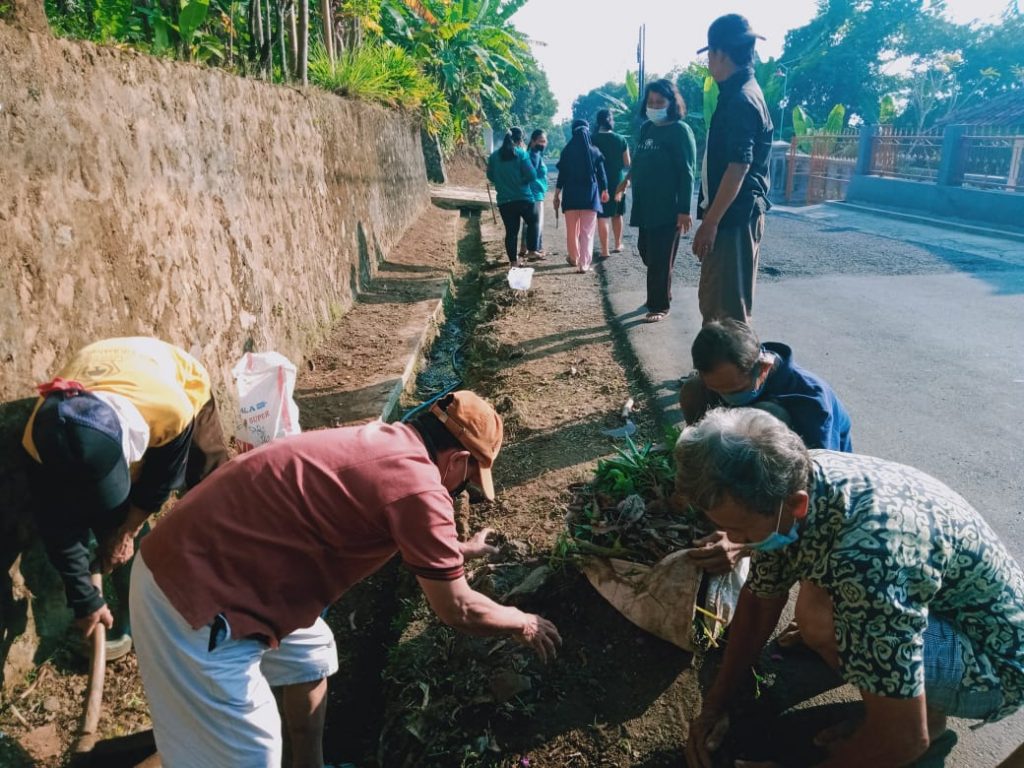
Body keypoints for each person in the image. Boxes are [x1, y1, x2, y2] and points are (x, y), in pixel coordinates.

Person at [129, 391, 561, 768]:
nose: (457, 496)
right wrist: (522, 621)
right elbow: (458, 607)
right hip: (191, 596)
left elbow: (388, 516)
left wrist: (454, 549)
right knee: (250, 755)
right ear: (460, 460)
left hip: (216, 554)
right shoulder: (419, 488)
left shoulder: (388, 443)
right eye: (464, 486)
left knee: (312, 652)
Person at [677, 408, 1024, 768]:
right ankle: (897, 708)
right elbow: (760, 599)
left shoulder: (867, 563)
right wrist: (716, 703)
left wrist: (884, 736)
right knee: (825, 608)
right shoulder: (798, 477)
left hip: (996, 663)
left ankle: (924, 720)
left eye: (743, 533)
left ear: (796, 504)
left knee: (826, 620)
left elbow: (906, 739)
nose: (733, 542)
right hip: (946, 604)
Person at [22, 336, 229, 660]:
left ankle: (225, 588)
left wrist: (127, 532)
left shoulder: (170, 410)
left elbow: (157, 487)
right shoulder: (39, 443)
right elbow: (57, 525)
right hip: (105, 383)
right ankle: (130, 624)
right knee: (111, 518)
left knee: (212, 490)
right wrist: (85, 599)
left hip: (177, 381)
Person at [680, 319, 853, 574]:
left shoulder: (811, 400)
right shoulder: (714, 383)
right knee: (693, 390)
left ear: (763, 367)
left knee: (768, 414)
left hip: (799, 478)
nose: (726, 398)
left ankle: (754, 520)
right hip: (745, 458)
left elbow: (815, 491)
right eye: (717, 390)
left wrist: (744, 544)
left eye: (735, 390)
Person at [691, 14, 773, 325]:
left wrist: (710, 222)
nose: (709, 61)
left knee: (728, 309)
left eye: (710, 54)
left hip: (733, 218)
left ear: (720, 53)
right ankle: (713, 373)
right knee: (715, 299)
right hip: (731, 216)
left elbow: (739, 165)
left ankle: (732, 374)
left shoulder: (741, 99)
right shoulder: (740, 92)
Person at [616, 79, 696, 323]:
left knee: (659, 260)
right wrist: (626, 180)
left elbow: (687, 172)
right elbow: (639, 160)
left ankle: (659, 305)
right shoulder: (647, 129)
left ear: (671, 103)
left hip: (668, 208)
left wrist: (684, 210)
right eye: (650, 102)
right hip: (645, 206)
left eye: (660, 102)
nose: (654, 106)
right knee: (646, 253)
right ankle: (662, 291)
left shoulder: (680, 131)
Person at [553, 119, 609, 274]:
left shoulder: (566, 151)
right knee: (587, 232)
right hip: (590, 197)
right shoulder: (595, 151)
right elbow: (602, 174)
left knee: (572, 231)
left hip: (571, 196)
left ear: (573, 131)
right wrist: (605, 190)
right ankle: (584, 264)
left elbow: (562, 175)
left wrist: (557, 194)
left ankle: (573, 257)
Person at [487, 127, 541, 267]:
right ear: (520, 140)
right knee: (533, 222)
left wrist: (502, 181)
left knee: (511, 232)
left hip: (505, 201)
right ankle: (532, 250)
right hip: (524, 198)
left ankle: (513, 262)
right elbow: (532, 175)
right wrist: (521, 181)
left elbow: (490, 176)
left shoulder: (494, 157)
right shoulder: (521, 154)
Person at [591, 109, 631, 258]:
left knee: (602, 216)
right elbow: (627, 163)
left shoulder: (592, 138)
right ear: (611, 121)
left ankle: (604, 250)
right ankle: (618, 244)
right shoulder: (621, 139)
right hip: (618, 182)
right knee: (617, 214)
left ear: (598, 121)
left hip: (599, 182)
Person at [519, 129, 549, 261]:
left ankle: (526, 248)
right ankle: (534, 250)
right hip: (534, 194)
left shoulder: (533, 154)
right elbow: (531, 175)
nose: (544, 144)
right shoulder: (533, 155)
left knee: (529, 222)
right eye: (541, 141)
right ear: (533, 141)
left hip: (533, 193)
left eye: (545, 141)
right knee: (536, 223)